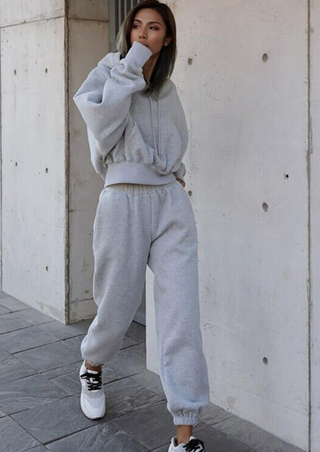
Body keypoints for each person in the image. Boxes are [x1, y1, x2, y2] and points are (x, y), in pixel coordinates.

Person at [73, 1, 210, 451]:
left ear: (167, 38)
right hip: (122, 202)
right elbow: (104, 124)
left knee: (181, 318)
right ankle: (92, 365)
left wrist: (173, 172)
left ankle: (184, 435)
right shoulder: (107, 76)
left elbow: (173, 139)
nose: (144, 33)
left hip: (170, 205)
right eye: (136, 26)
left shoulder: (166, 90)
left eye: (154, 28)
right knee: (115, 306)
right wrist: (130, 63)